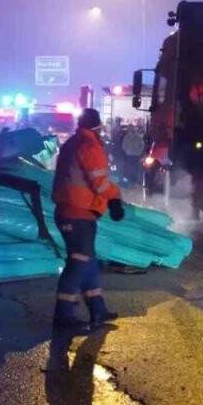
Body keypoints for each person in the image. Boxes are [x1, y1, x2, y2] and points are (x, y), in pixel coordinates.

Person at [52, 108, 125, 332]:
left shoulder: (72, 143)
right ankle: (63, 315)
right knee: (79, 260)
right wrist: (114, 199)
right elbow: (99, 182)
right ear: (98, 126)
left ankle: (97, 309)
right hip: (78, 212)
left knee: (88, 260)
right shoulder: (90, 145)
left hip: (72, 210)